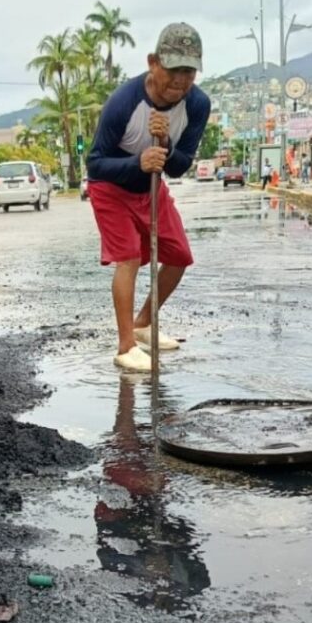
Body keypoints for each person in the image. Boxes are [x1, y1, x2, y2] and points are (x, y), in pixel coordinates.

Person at [86, 22, 210, 372]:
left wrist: (167, 147)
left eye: (189, 71)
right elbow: (95, 164)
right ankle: (126, 346)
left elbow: (178, 166)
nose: (180, 81)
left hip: (152, 189)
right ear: (153, 62)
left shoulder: (197, 104)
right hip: (111, 190)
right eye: (173, 70)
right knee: (128, 257)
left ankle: (143, 324)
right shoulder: (123, 103)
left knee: (179, 255)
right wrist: (137, 162)